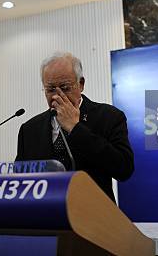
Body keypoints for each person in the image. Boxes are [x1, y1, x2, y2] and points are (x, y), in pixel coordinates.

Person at [15, 52, 134, 202]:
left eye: (65, 88)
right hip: (45, 215)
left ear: (81, 84)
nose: (57, 96)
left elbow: (124, 169)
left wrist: (76, 128)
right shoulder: (30, 129)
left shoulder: (109, 116)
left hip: (95, 215)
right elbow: (20, 179)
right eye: (50, 89)